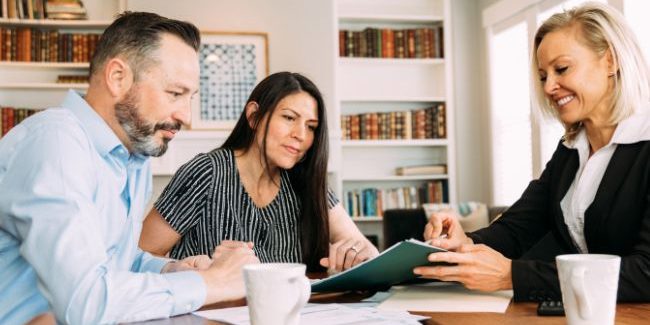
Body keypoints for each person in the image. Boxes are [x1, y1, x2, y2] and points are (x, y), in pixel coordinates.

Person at [0, 12, 259, 325]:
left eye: (190, 97)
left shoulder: (131, 158)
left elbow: (111, 260)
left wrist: (173, 270)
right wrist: (212, 283)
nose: (187, 116)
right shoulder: (55, 145)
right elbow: (87, 304)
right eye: (175, 93)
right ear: (118, 77)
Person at [415, 2, 650, 302]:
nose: (550, 86)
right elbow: (519, 228)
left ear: (611, 62)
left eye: (562, 69)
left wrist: (511, 276)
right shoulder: (570, 150)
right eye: (543, 76)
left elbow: (645, 272)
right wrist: (464, 243)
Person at [139, 71, 379, 273]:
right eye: (289, 118)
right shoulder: (206, 172)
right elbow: (141, 254)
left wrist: (362, 253)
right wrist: (192, 269)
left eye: (311, 127)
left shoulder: (305, 181)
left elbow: (362, 246)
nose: (301, 135)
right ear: (254, 116)